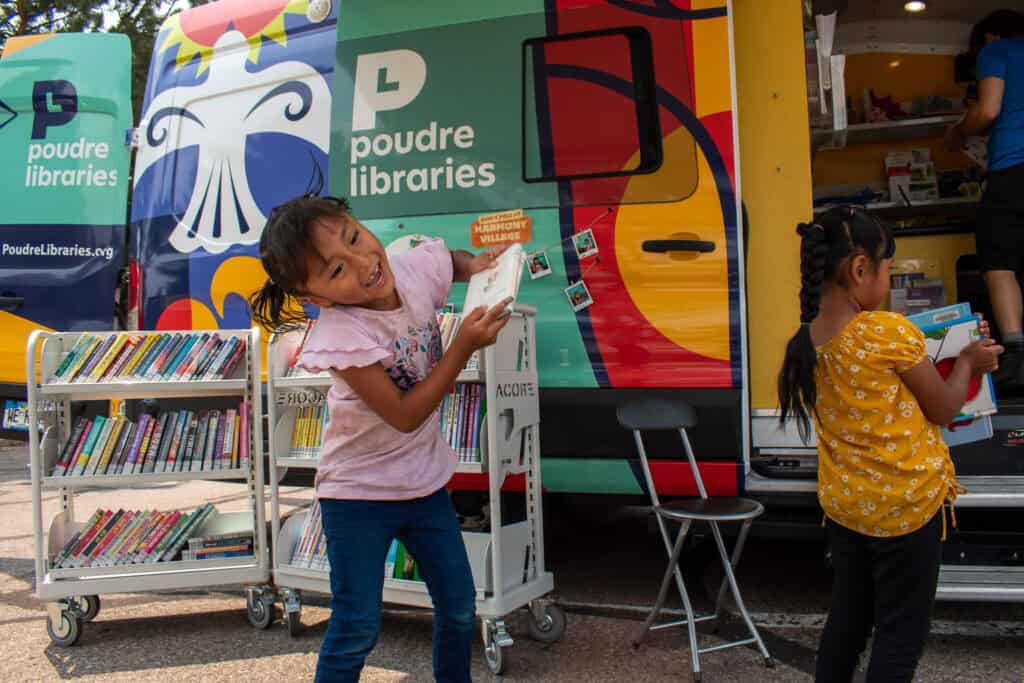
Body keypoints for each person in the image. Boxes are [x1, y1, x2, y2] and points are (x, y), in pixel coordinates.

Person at [249, 195, 510, 683]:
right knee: (357, 626)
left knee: (458, 611)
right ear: (319, 298)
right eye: (336, 271)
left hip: (424, 486)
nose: (365, 263)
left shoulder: (408, 272)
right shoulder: (342, 335)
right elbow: (405, 414)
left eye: (354, 237)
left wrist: (473, 265)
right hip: (357, 496)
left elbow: (445, 261)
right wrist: (463, 347)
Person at [777, 206, 1002, 683]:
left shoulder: (805, 340)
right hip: (906, 509)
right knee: (899, 636)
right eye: (888, 268)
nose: (889, 276)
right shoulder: (887, 332)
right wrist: (968, 364)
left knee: (848, 621)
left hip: (846, 508)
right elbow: (943, 409)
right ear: (860, 270)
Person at [946, 9, 1024, 389]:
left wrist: (959, 130)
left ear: (990, 37)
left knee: (1000, 264)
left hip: (1013, 169)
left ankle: (1016, 356)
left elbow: (989, 109)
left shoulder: (997, 51)